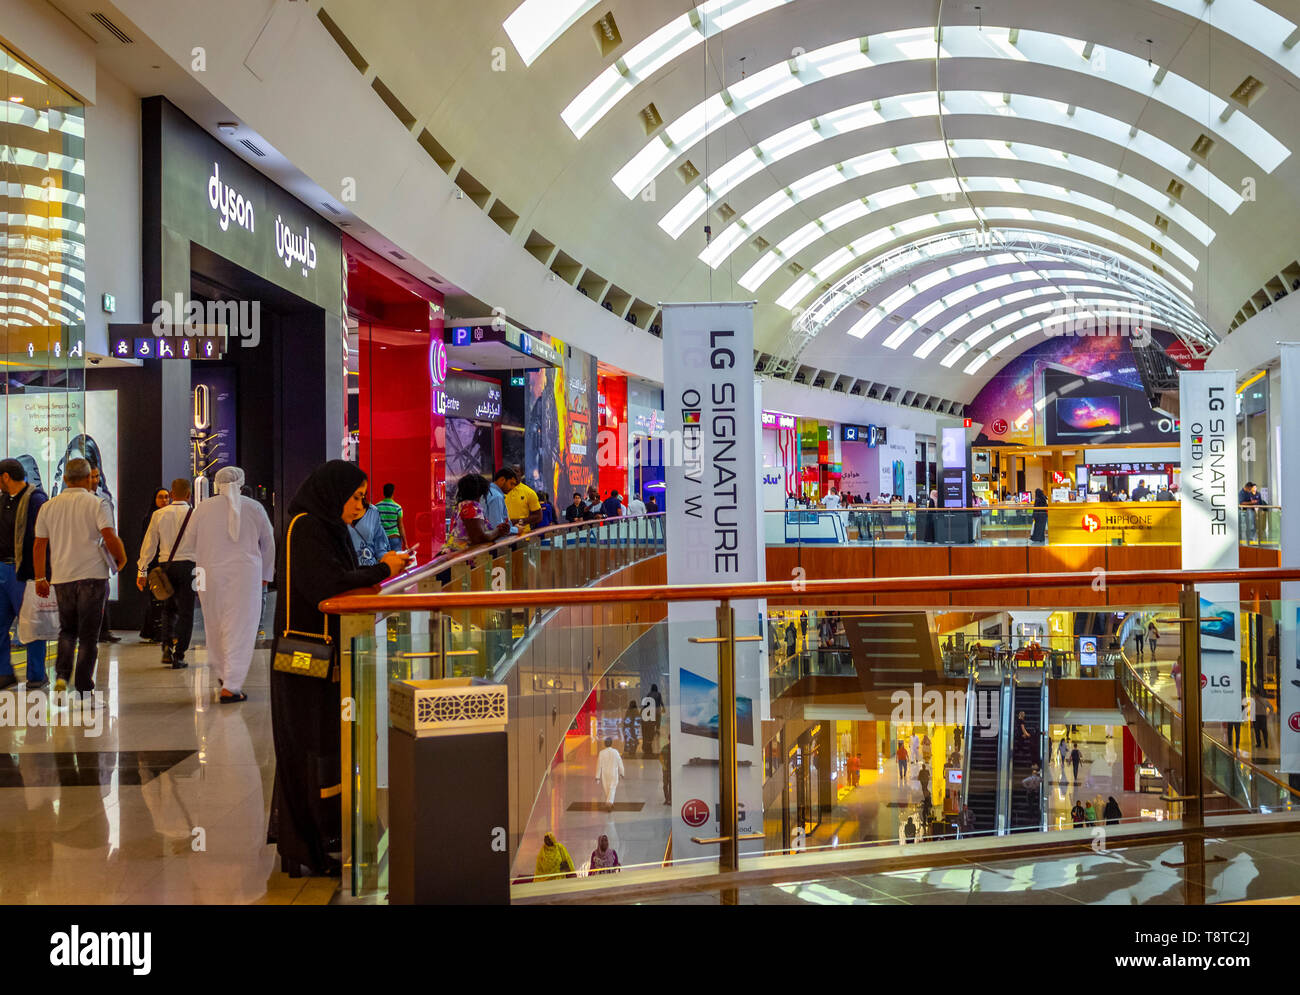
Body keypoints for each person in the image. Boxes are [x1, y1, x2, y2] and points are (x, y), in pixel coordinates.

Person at [268, 461, 410, 878]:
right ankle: (315, 843)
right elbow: (326, 585)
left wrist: (383, 567)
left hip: (324, 658)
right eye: (356, 498)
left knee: (326, 746)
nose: (360, 507)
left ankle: (328, 837)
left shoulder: (323, 524)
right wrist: (385, 568)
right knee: (311, 748)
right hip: (306, 663)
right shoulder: (307, 526)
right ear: (334, 494)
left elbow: (339, 576)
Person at [32, 458, 126, 696]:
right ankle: (84, 685)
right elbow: (109, 535)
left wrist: (40, 577)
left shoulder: (48, 506)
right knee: (88, 635)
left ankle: (62, 677)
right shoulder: (97, 503)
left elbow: (39, 545)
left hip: (62, 577)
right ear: (87, 478)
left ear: (64, 479)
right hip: (92, 577)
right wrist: (121, 558)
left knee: (67, 630)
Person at [191, 466, 275, 703]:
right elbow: (268, 544)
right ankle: (232, 684)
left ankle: (223, 674)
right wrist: (266, 573)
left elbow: (190, 541)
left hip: (209, 573)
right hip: (246, 576)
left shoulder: (203, 508)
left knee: (214, 623)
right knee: (241, 626)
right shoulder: (255, 507)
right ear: (241, 482)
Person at [136, 478, 198, 668]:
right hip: (190, 566)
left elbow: (149, 544)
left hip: (166, 566)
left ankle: (165, 646)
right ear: (189, 494)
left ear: (171, 494)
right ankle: (179, 654)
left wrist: (142, 570)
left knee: (168, 608)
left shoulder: (159, 515)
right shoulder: (196, 514)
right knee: (187, 612)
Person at [0, 458, 49, 690]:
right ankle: (4, 673)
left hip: (25, 573)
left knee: (32, 625)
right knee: (0, 624)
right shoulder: (2, 501)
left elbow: (43, 540)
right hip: (2, 569)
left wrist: (41, 575)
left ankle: (37, 675)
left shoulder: (36, 500)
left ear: (6, 477)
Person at [439, 474, 509, 556]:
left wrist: (497, 532)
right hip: (465, 558)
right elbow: (478, 538)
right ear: (481, 490)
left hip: (456, 554)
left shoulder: (462, 505)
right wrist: (498, 531)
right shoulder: (472, 507)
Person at [138, 487, 170, 642]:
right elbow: (147, 544)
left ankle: (155, 631)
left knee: (163, 599)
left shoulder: (169, 516)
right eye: (160, 497)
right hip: (153, 564)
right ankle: (156, 632)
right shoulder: (150, 517)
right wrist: (142, 569)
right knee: (156, 599)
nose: (164, 500)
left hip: (166, 562)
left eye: (166, 497)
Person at [349, 498, 390, 567]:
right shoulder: (334, 512)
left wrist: (387, 562)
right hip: (344, 572)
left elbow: (380, 547)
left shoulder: (373, 511)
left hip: (369, 569)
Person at [500, 466, 542, 532]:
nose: (514, 473)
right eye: (511, 472)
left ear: (521, 474)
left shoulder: (529, 492)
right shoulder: (501, 491)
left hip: (523, 536)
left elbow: (538, 516)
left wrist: (519, 521)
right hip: (504, 536)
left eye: (516, 471)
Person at [374, 483, 406, 551]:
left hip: (381, 539)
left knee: (383, 559)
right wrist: (406, 543)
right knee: (396, 560)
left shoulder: (376, 507)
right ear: (393, 492)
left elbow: (375, 525)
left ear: (383, 492)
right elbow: (401, 526)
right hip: (395, 538)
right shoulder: (397, 507)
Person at [596, 736, 625, 811]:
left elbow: (599, 765)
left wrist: (597, 777)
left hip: (605, 774)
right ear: (611, 744)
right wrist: (622, 772)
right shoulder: (615, 752)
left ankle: (609, 802)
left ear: (604, 744)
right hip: (613, 773)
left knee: (607, 788)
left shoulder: (601, 753)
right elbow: (620, 763)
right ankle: (609, 803)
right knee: (612, 788)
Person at [643, 683, 664, 754]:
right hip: (658, 709)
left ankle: (653, 729)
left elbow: (646, 702)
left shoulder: (649, 694)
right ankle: (657, 729)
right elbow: (661, 701)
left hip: (651, 709)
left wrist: (644, 709)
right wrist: (663, 707)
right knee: (658, 719)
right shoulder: (659, 694)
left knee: (652, 720)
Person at [659, 739, 671, 805]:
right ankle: (667, 799)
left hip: (672, 769)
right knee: (665, 784)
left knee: (671, 785)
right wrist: (663, 765)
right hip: (666, 769)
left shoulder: (675, 748)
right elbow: (660, 757)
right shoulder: (665, 747)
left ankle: (670, 799)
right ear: (669, 739)